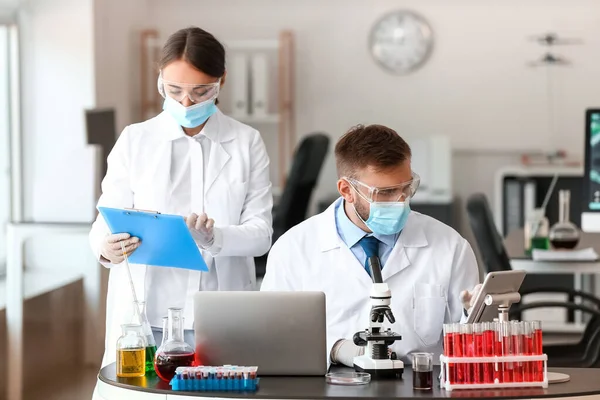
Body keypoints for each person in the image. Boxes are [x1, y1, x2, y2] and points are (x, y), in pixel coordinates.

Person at [89, 27, 273, 369]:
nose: (186, 102)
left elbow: (261, 233)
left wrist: (214, 238)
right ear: (160, 80)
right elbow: (105, 218)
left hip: (218, 311)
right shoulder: (135, 140)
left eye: (200, 91)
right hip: (147, 312)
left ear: (221, 82)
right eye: (174, 90)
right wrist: (105, 246)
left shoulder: (247, 142)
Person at [261, 124, 481, 367]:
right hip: (331, 386)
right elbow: (275, 336)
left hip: (418, 385)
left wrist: (477, 317)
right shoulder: (294, 249)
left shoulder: (451, 247)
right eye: (385, 193)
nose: (400, 201)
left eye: (406, 188)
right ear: (347, 190)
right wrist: (334, 349)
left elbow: (469, 346)